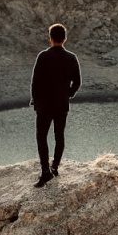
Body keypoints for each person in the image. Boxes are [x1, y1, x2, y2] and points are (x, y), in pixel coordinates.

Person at [29, 23, 81, 187]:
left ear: (50, 38)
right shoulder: (71, 57)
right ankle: (55, 167)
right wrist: (68, 94)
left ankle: (45, 171)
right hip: (61, 104)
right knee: (59, 136)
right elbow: (77, 82)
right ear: (64, 38)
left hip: (44, 105)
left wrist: (35, 101)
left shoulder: (43, 56)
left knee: (41, 137)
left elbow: (35, 82)